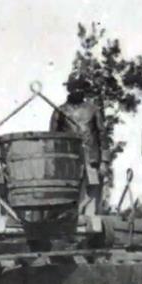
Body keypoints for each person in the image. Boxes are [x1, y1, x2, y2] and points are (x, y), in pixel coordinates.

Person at [49, 74, 109, 215]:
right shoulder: (60, 111)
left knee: (92, 198)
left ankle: (91, 227)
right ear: (69, 89)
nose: (77, 91)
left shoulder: (93, 110)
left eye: (79, 87)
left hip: (92, 161)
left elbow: (102, 135)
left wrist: (104, 161)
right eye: (73, 87)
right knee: (69, 198)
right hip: (68, 163)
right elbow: (52, 139)